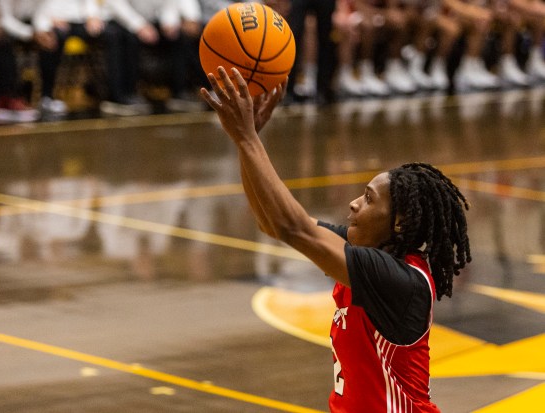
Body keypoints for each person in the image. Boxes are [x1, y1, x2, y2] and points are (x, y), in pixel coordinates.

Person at [200, 66, 471, 412]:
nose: (354, 203)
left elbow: (292, 226)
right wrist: (246, 142)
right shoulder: (367, 246)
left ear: (399, 224)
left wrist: (248, 139)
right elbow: (272, 222)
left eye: (369, 199)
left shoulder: (399, 281)